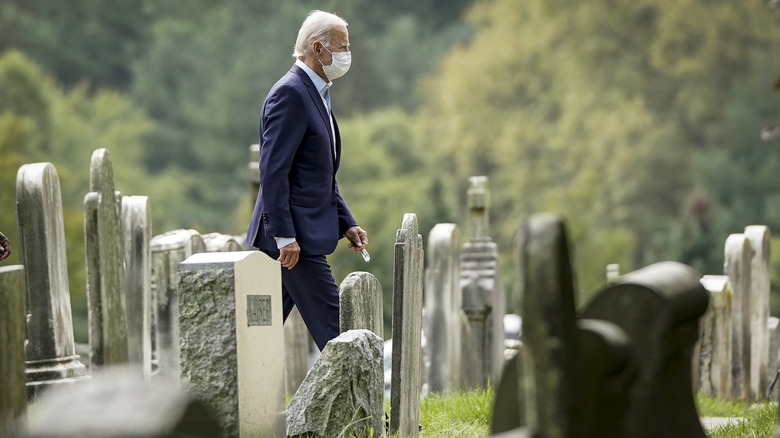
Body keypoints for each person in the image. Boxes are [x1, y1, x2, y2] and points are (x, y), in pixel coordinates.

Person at [246, 10, 368, 351]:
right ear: (317, 48)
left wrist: (346, 222)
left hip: (299, 239)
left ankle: (225, 403)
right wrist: (285, 238)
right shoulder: (291, 93)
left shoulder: (318, 92)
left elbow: (318, 173)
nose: (347, 54)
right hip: (294, 245)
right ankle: (370, 408)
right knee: (339, 335)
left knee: (252, 341)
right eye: (342, 46)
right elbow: (273, 172)